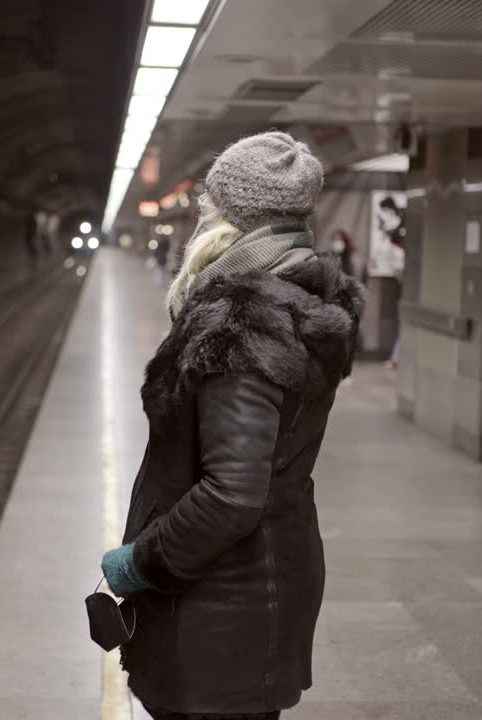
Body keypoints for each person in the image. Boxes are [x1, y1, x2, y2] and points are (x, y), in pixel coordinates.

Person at [99, 132, 365, 720]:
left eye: (209, 200)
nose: (200, 209)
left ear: (230, 215)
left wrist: (139, 562)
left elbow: (232, 494)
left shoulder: (244, 323)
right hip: (262, 580)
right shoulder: (302, 301)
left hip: (221, 602)